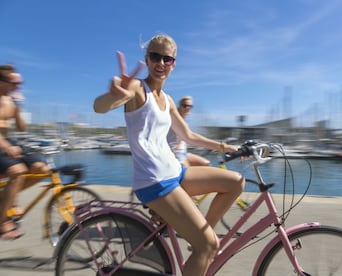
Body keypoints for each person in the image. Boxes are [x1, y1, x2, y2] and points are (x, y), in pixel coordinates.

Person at [94, 34, 245, 276]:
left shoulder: (168, 100)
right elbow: (99, 107)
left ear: (174, 63)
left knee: (236, 182)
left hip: (175, 172)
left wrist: (227, 147)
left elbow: (189, 136)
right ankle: (202, 243)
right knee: (209, 245)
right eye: (155, 56)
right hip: (154, 181)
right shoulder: (136, 88)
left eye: (167, 59)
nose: (161, 63)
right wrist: (112, 95)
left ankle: (198, 238)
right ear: (147, 59)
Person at [0, 64, 50, 240]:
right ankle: (2, 221)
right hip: (2, 144)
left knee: (42, 169)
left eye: (20, 83)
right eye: (15, 83)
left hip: (7, 142)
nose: (19, 86)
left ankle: (6, 197)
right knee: (18, 172)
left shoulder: (10, 100)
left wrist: (19, 107)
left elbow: (21, 128)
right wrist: (7, 147)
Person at [167, 96, 211, 167]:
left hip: (184, 153)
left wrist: (206, 146)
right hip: (176, 155)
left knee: (206, 163)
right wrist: (217, 146)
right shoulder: (174, 119)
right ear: (180, 106)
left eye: (190, 106)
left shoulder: (183, 121)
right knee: (188, 170)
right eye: (185, 106)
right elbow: (190, 136)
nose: (188, 108)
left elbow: (186, 138)